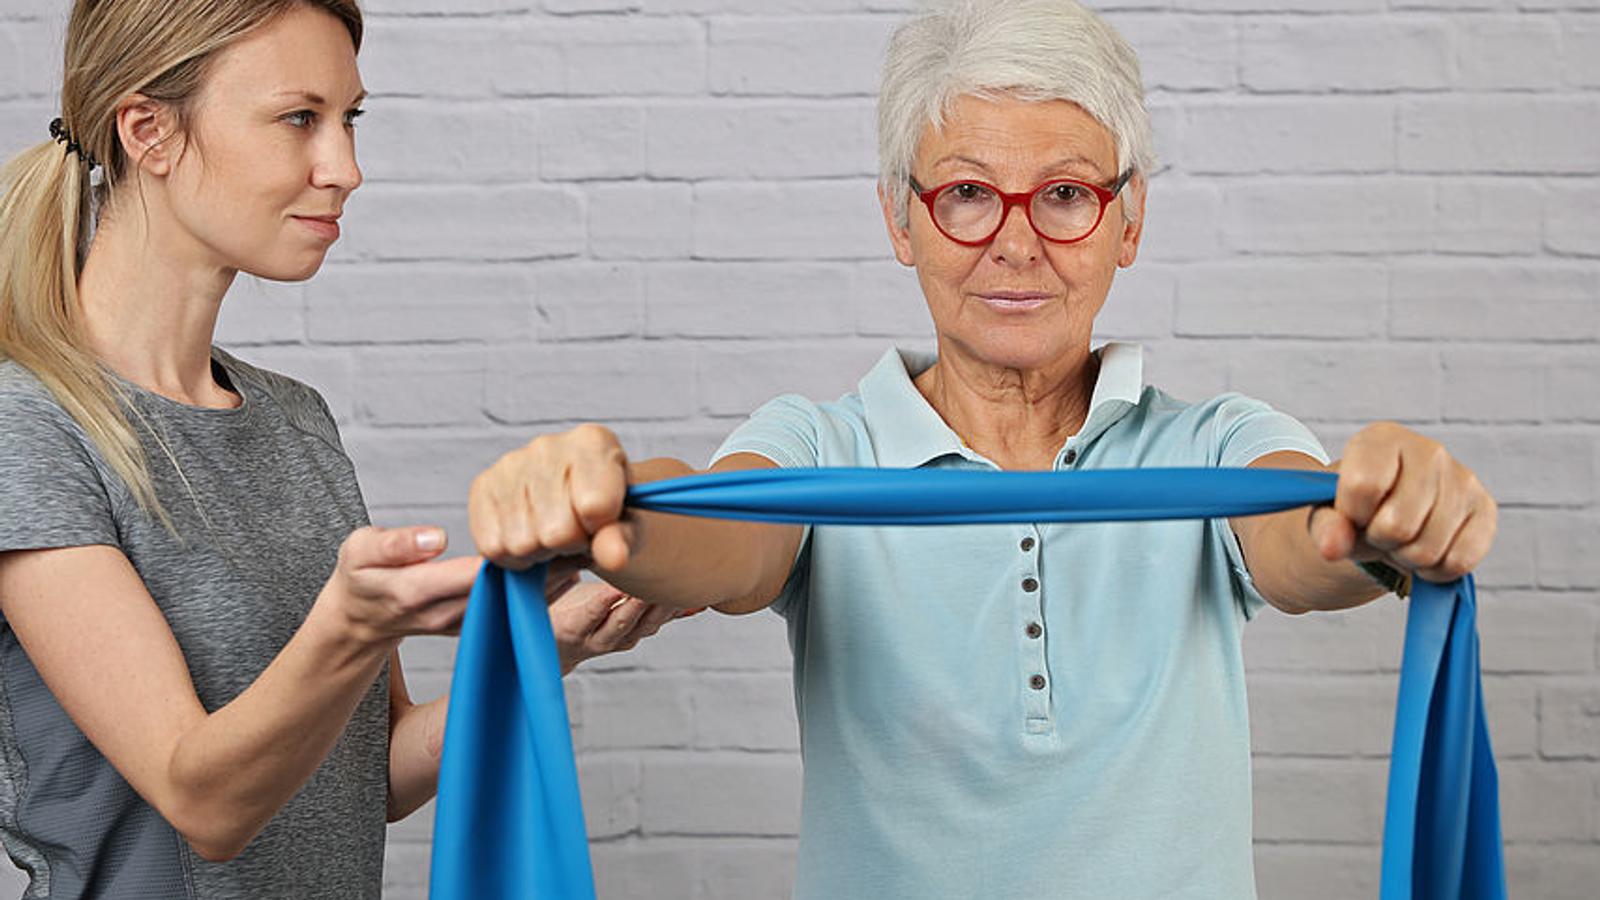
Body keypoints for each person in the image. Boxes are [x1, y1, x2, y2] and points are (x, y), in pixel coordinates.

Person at [466, 0, 1499, 897]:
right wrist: (603, 499)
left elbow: (1304, 535)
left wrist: (1385, 512)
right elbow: (718, 529)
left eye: (1064, 195)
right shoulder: (825, 443)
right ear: (900, 222)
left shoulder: (1213, 441)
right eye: (965, 194)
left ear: (1126, 220)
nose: (1014, 242)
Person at [0, 2, 676, 897]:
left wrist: (546, 648)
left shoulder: (295, 421)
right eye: (299, 119)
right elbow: (203, 800)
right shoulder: (28, 422)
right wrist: (354, 625)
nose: (346, 168)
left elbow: (373, 779)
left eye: (349, 120)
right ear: (148, 131)